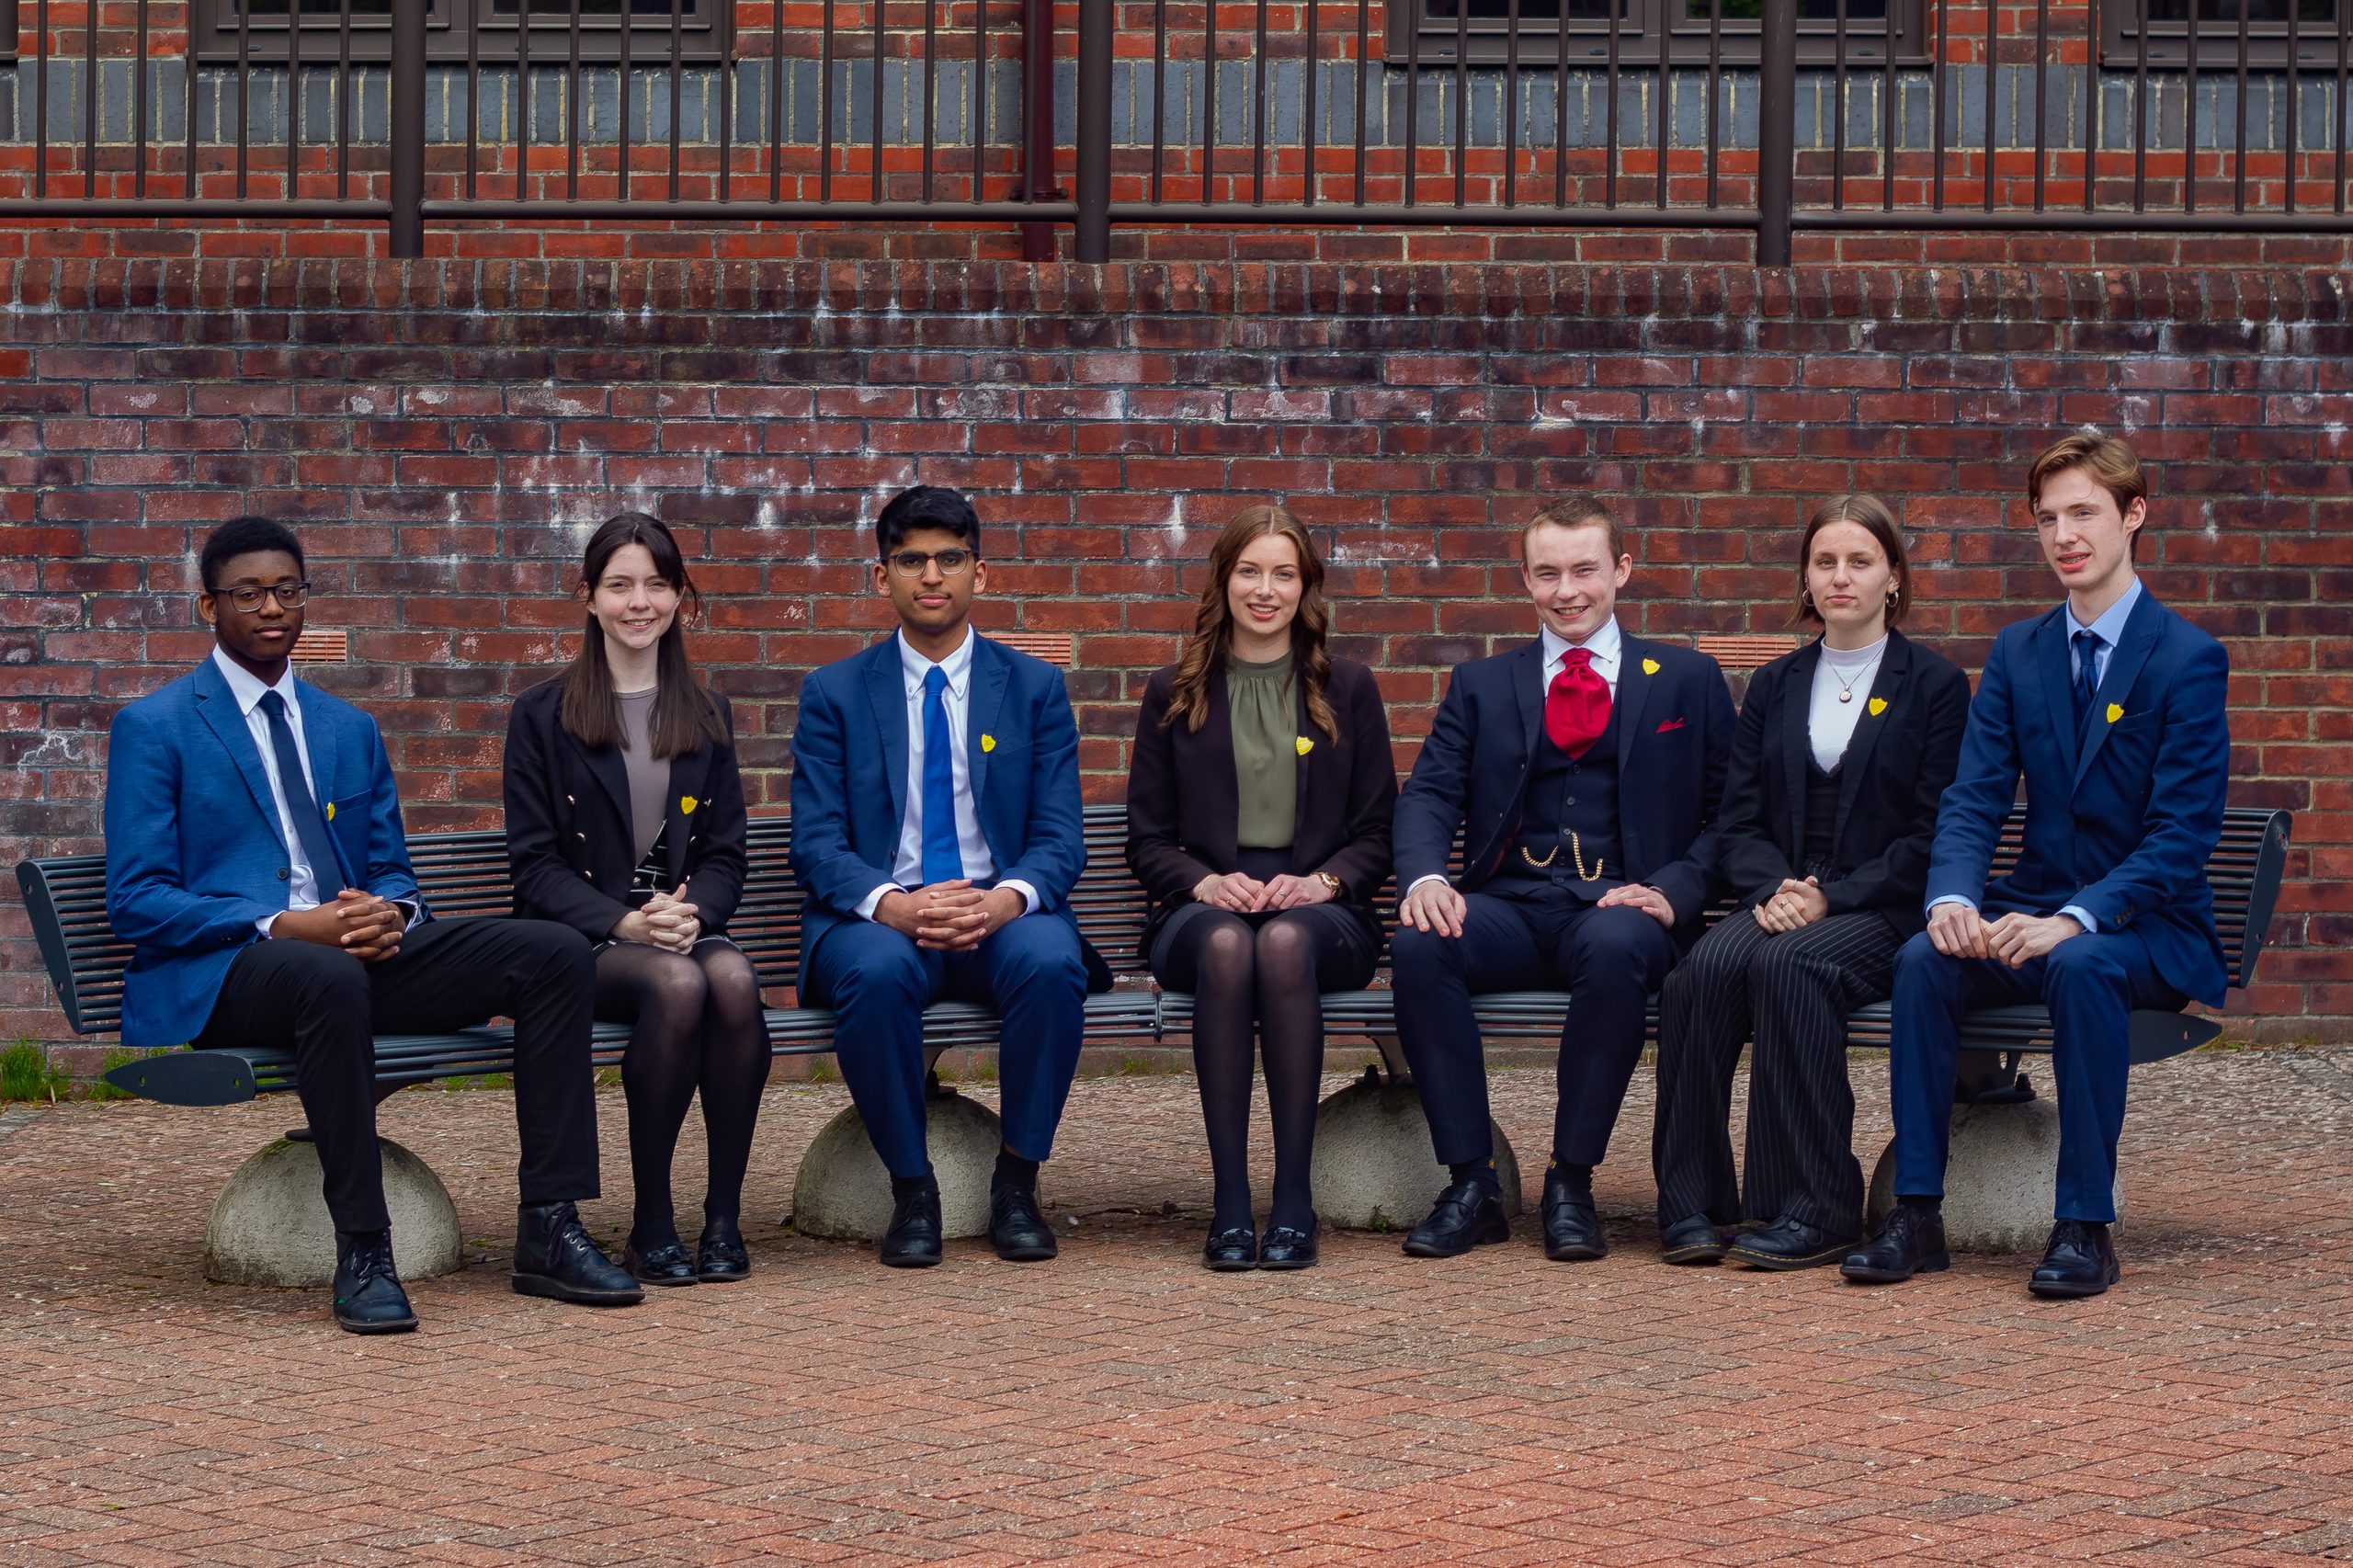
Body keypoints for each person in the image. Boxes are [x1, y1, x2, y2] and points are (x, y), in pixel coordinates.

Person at [103, 517, 642, 1335]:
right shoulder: (158, 726)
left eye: (288, 590)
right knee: (325, 973)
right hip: (231, 970)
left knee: (555, 952)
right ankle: (363, 1250)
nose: (272, 608)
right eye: (249, 593)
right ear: (209, 606)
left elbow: (391, 870)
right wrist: (287, 924)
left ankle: (550, 1227)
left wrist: (392, 914)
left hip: (350, 962)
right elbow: (136, 898)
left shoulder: (345, 728)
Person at [1842, 433, 2232, 1299]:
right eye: (2048, 519)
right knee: (1924, 959)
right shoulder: (2020, 651)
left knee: (2082, 966)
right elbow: (1974, 797)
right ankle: (1917, 1214)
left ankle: (2084, 1228)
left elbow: (2182, 834)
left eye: (2083, 513)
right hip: (2032, 911)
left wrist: (2075, 918)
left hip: (2143, 929)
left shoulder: (2187, 658)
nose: (2064, 536)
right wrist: (1952, 896)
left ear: (2134, 515)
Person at [1390, 494, 1734, 1262]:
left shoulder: (1687, 678)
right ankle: (1472, 1182)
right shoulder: (1481, 683)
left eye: (1585, 569)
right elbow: (1430, 795)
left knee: (1616, 944)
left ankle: (1570, 1181)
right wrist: (1424, 881)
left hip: (1623, 905)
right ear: (1525, 579)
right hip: (1510, 903)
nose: (1567, 590)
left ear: (1622, 570)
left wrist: (1673, 891)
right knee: (1420, 944)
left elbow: (1733, 815)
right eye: (1548, 573)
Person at [788, 485, 1112, 1268]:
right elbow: (817, 841)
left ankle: (1018, 1184)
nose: (931, 576)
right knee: (874, 973)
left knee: (1050, 961)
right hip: (883, 922)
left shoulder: (1033, 690)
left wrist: (1002, 903)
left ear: (979, 572)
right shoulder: (835, 693)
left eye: (950, 559)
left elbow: (1060, 839)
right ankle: (912, 1190)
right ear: (883, 577)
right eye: (911, 561)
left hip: (996, 917)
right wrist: (892, 906)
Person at [1649, 496, 1971, 1269]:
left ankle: (1813, 1207)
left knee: (1791, 967)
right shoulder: (1776, 684)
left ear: (1894, 577)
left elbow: (1933, 831)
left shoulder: (1934, 685)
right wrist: (1777, 889)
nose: (1840, 577)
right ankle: (1693, 1203)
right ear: (1805, 576)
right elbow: (1739, 818)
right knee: (1699, 974)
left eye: (1860, 561)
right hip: (1784, 895)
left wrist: (1833, 897)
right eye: (1825, 561)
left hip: (1882, 905)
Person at [1125, 505, 1397, 1271]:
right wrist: (1205, 882)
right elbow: (1146, 840)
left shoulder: (1349, 688)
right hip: (1202, 908)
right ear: (1224, 579)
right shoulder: (1174, 691)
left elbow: (1378, 833)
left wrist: (1322, 883)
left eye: (1284, 573)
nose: (1265, 590)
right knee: (1225, 946)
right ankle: (1231, 1206)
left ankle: (1294, 1202)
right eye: (1249, 571)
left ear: (1306, 586)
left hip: (1321, 912)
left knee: (1277, 944)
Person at [504, 514, 767, 1288]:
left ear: (680, 596)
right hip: (579, 943)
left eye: (656, 585)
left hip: (674, 929)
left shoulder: (707, 714)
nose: (639, 603)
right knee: (680, 983)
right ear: (589, 597)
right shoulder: (541, 715)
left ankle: (722, 1220)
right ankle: (652, 1223)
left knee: (733, 978)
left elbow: (726, 854)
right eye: (620, 586)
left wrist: (693, 913)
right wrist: (624, 921)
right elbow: (534, 866)